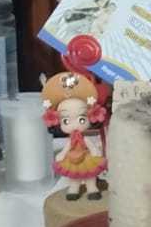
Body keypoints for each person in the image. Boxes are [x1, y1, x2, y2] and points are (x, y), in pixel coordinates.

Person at [42, 68, 109, 199]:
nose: (74, 125)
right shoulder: (70, 139)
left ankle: (92, 189)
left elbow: (89, 144)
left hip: (86, 156)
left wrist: (94, 150)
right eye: (66, 121)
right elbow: (67, 147)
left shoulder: (84, 138)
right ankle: (74, 189)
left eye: (81, 119)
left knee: (90, 174)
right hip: (72, 158)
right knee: (74, 176)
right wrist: (62, 154)